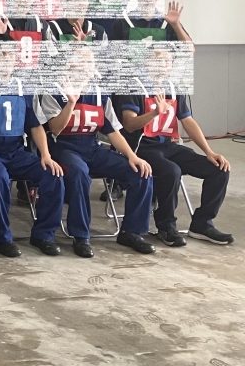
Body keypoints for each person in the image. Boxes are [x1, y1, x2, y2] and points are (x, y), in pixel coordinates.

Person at [33, 45, 155, 256]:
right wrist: (71, 103)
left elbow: (113, 132)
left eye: (90, 63)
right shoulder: (55, 91)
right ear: (70, 64)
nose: (87, 67)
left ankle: (132, 232)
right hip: (63, 148)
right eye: (82, 61)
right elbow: (55, 129)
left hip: (92, 147)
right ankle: (81, 235)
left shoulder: (100, 94)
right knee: (79, 173)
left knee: (140, 172)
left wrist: (132, 156)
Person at [117, 44, 233, 246]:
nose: (163, 65)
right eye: (158, 60)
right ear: (147, 63)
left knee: (218, 168)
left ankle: (202, 224)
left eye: (167, 62)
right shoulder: (133, 87)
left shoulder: (173, 88)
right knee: (171, 171)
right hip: (142, 148)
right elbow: (129, 124)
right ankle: (166, 226)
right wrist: (155, 112)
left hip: (168, 146)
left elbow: (187, 121)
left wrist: (209, 151)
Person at [0, 41, 65, 257]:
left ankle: (44, 235)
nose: (6, 58)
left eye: (10, 54)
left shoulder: (23, 87)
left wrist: (45, 155)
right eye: (1, 54)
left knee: (53, 174)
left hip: (17, 151)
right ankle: (2, 237)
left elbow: (36, 125)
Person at [110, 0, 191, 43]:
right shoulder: (122, 21)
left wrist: (176, 25)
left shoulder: (168, 22)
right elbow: (112, 53)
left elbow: (190, 50)